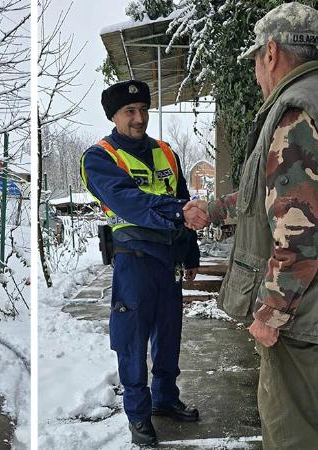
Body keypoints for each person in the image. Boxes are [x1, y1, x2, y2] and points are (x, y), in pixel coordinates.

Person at [184, 3, 318, 446]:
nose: (257, 77)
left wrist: (270, 313)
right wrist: (217, 210)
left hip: (305, 325)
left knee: (293, 432)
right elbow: (276, 189)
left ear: (272, 53)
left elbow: (300, 229)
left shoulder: (295, 111)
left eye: (257, 62)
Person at [80, 80, 204, 446]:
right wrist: (180, 212)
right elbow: (130, 201)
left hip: (168, 262)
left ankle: (165, 400)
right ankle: (138, 414)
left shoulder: (167, 152)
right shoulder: (98, 158)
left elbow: (182, 199)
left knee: (169, 336)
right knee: (132, 342)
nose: (139, 118)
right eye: (129, 112)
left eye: (143, 110)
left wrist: (190, 252)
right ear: (114, 117)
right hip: (133, 262)